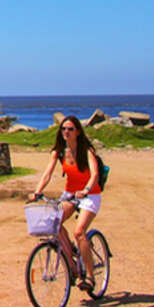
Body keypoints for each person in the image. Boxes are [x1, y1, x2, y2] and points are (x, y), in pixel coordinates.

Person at [29, 114, 103, 294]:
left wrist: (86, 189)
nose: (66, 132)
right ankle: (73, 267)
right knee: (54, 224)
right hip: (70, 194)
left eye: (70, 129)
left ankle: (90, 278)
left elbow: (94, 175)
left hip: (90, 194)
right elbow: (47, 174)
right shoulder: (59, 152)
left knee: (79, 231)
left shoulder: (87, 151)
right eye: (63, 129)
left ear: (77, 131)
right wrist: (37, 191)